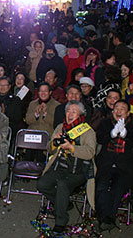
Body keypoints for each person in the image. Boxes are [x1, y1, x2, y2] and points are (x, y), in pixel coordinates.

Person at [37, 100, 96, 235]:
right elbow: (50, 150)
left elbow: (90, 152)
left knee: (63, 185)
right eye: (68, 111)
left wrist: (72, 147)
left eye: (74, 111)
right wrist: (54, 143)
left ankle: (61, 221)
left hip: (78, 171)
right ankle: (62, 203)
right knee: (42, 184)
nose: (70, 114)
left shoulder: (88, 131)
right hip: (60, 167)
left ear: (81, 114)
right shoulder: (60, 127)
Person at [95, 100, 133, 231]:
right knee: (101, 187)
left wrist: (125, 134)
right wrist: (112, 134)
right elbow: (100, 138)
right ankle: (104, 217)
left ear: (127, 113)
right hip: (106, 163)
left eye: (122, 109)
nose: (118, 111)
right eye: (116, 108)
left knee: (118, 188)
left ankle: (107, 218)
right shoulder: (105, 123)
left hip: (124, 166)